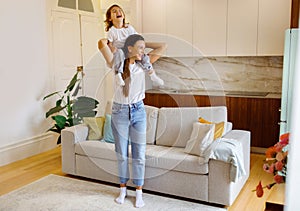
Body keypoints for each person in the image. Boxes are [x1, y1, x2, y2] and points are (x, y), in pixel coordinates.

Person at [111, 34, 166, 208]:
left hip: (139, 111)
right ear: (129, 49)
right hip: (119, 112)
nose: (143, 51)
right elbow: (101, 44)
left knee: (139, 155)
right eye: (139, 47)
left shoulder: (143, 64)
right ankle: (122, 190)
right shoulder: (116, 62)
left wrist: (141, 43)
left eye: (143, 48)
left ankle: (139, 193)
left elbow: (162, 46)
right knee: (121, 154)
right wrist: (126, 43)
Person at [98, 4, 164, 87]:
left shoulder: (129, 28)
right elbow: (110, 43)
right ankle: (118, 74)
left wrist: (140, 48)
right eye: (114, 11)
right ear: (110, 18)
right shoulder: (112, 31)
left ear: (123, 15)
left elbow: (137, 38)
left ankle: (152, 74)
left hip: (132, 49)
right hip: (121, 50)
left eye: (120, 10)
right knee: (119, 54)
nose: (118, 12)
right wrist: (112, 49)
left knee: (145, 57)